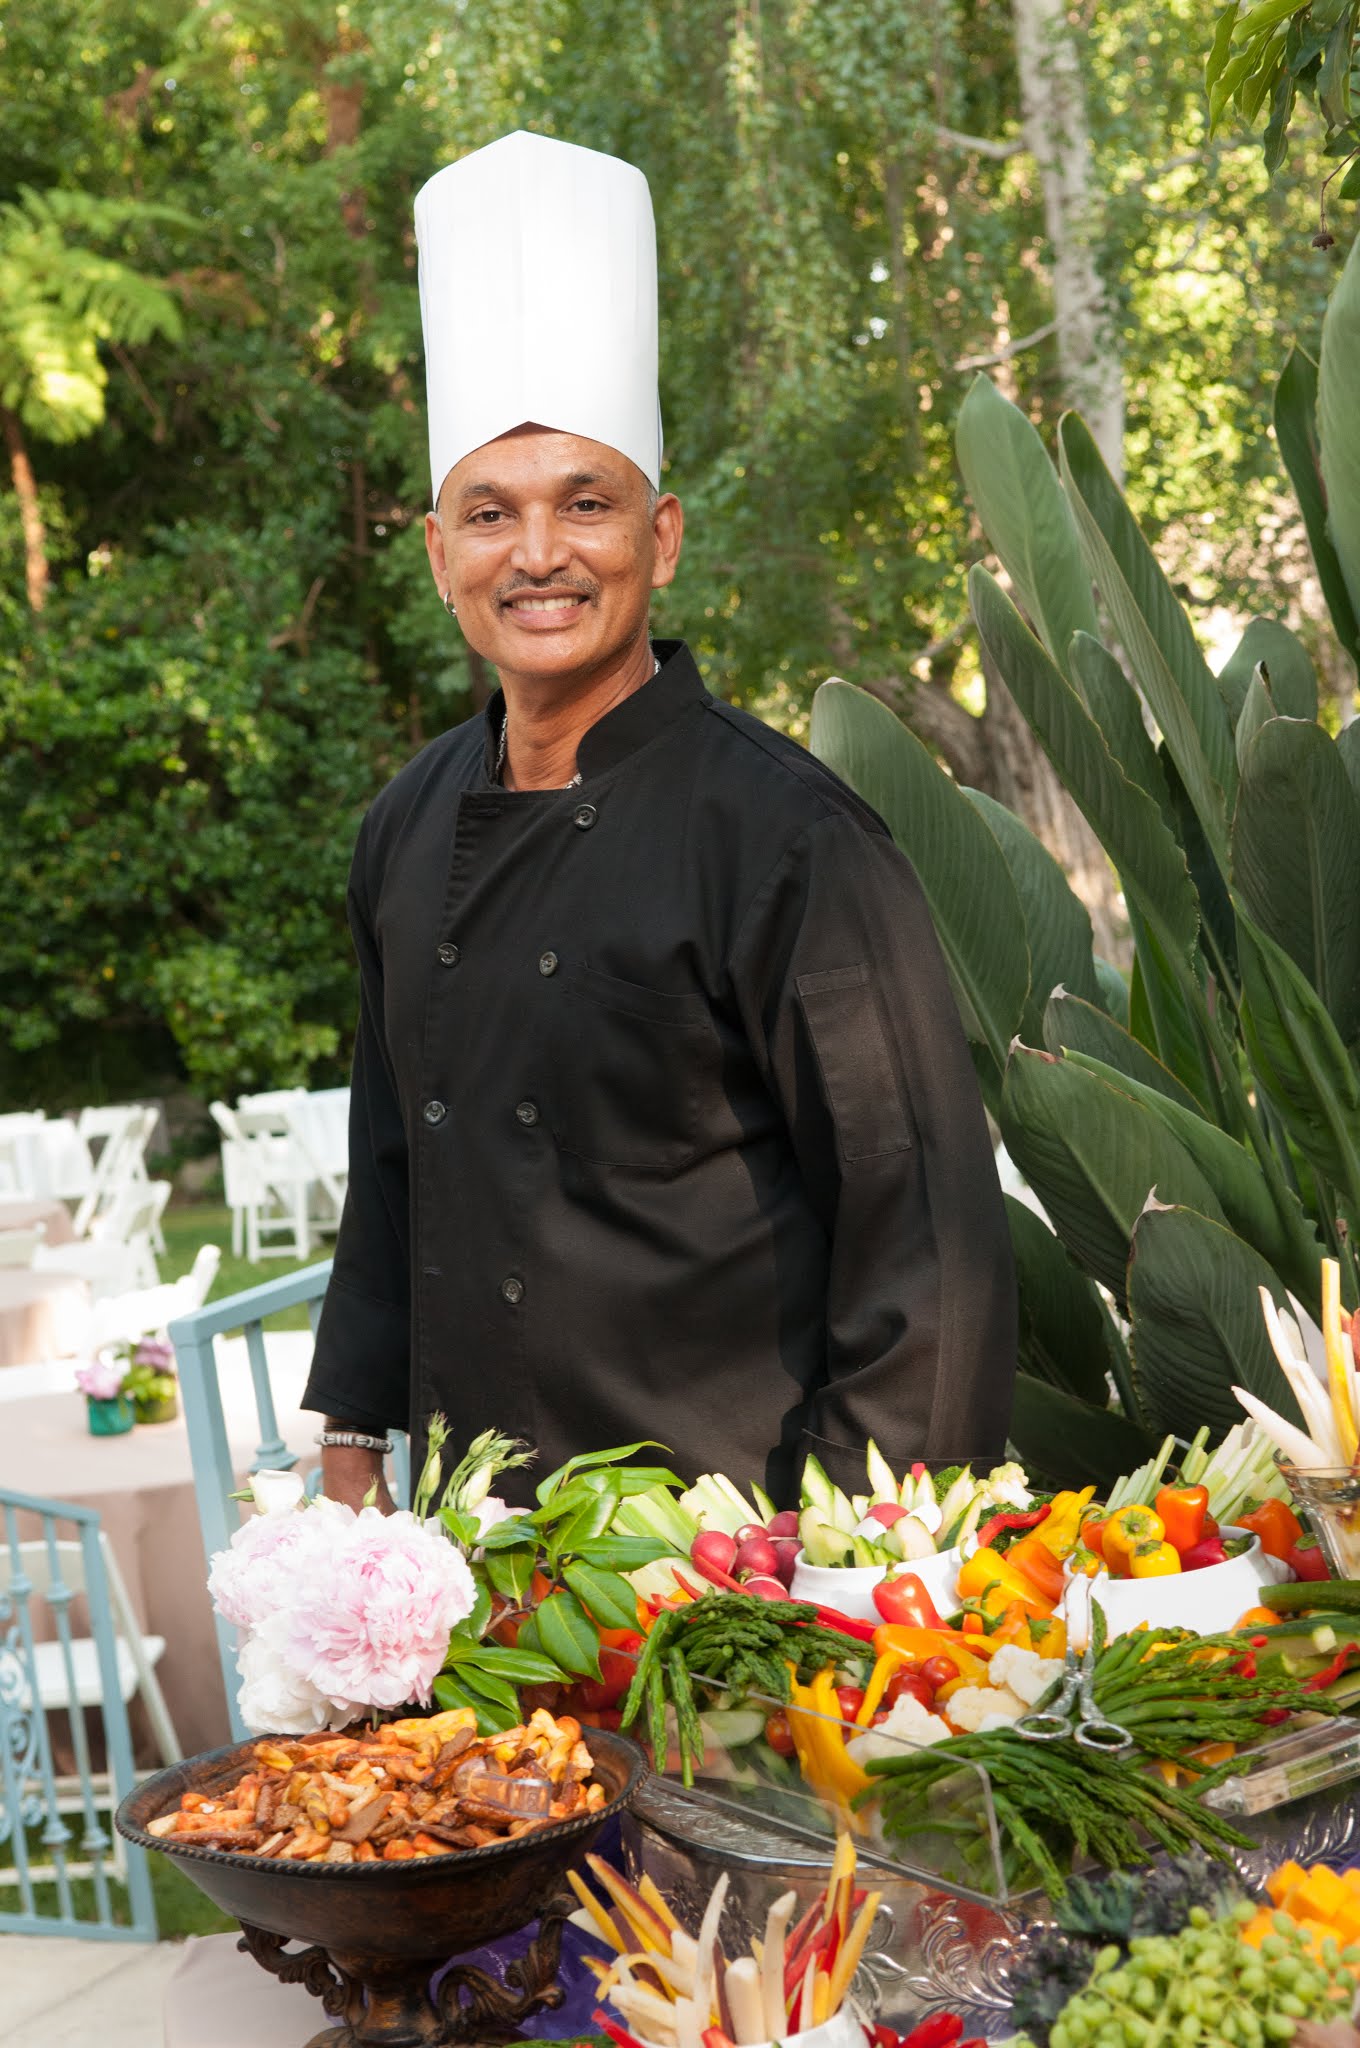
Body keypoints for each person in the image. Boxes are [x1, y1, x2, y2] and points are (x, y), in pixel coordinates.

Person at [303, 131, 1015, 1512]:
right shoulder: (404, 827)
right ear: (440, 553)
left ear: (663, 537)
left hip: (729, 1568)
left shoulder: (791, 839)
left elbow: (922, 1240)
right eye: (490, 513)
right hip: (472, 1575)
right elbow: (393, 1168)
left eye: (588, 503)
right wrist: (349, 1460)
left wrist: (827, 1572)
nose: (540, 554)